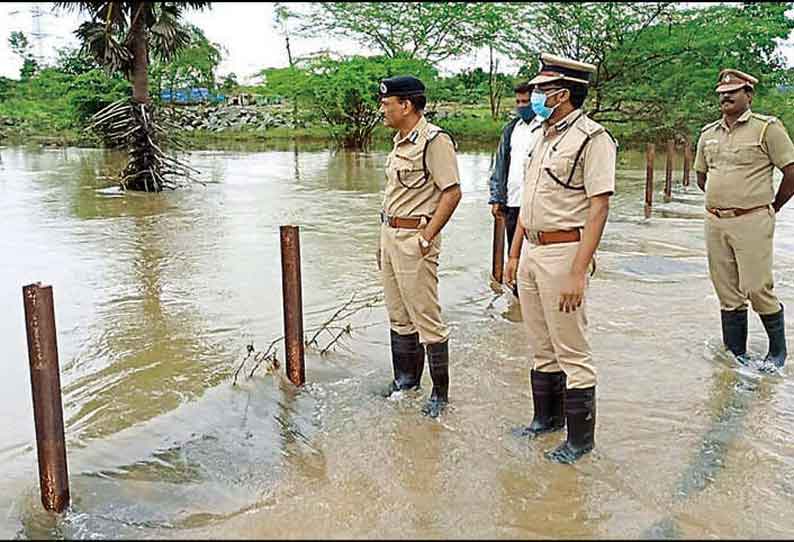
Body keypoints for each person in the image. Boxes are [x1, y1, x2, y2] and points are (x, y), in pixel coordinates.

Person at [505, 53, 616, 464]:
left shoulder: (592, 139)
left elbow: (598, 207)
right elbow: (528, 203)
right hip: (532, 248)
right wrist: (514, 255)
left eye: (541, 90)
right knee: (540, 345)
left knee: (572, 349)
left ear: (563, 94)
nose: (534, 96)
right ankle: (545, 421)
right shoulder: (542, 136)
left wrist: (578, 272)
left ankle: (580, 442)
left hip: (564, 250)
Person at [694, 68, 794, 371]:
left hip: (752, 219)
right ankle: (735, 353)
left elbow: (791, 171)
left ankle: (778, 353)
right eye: (722, 93)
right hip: (715, 221)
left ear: (748, 95)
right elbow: (702, 176)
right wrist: (721, 199)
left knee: (755, 286)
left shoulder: (767, 129)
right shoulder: (708, 133)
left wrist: (772, 206)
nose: (725, 97)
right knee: (726, 289)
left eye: (733, 92)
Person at [376, 75, 462, 417]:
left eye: (386, 104)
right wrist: (380, 241)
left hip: (415, 240)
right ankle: (406, 382)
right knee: (398, 314)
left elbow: (452, 192)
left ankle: (440, 396)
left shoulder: (434, 141)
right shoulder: (399, 142)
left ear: (406, 105)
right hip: (390, 236)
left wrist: (427, 236)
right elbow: (392, 196)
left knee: (426, 317)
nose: (382, 110)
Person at [489, 81, 544, 293]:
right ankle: (518, 301)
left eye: (526, 101)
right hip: (513, 201)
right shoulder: (512, 128)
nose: (522, 106)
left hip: (537, 204)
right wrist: (496, 198)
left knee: (535, 255)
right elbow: (500, 164)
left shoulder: (545, 127)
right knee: (514, 254)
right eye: (518, 102)